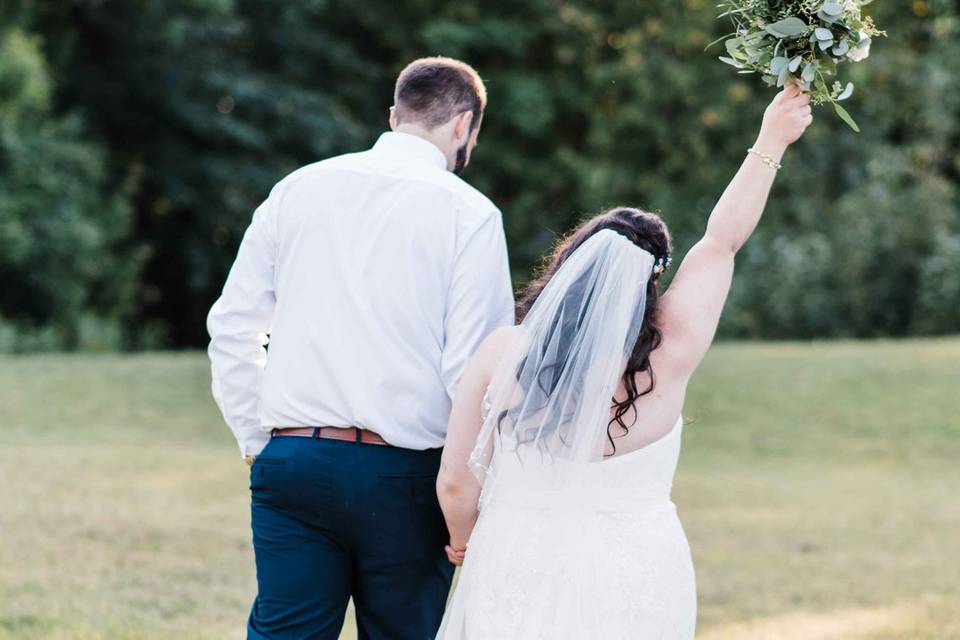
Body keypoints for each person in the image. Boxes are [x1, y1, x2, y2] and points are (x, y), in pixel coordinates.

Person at [435, 83, 813, 639]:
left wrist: (465, 544)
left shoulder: (502, 353)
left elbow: (454, 484)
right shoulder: (673, 350)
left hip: (518, 558)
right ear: (650, 283)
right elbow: (721, 241)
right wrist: (771, 140)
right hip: (638, 566)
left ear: (570, 266)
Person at [207, 56, 514, 640]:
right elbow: (472, 373)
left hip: (292, 464)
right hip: (405, 475)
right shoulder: (470, 215)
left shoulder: (296, 189)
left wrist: (259, 442)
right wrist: (469, 487)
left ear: (394, 116)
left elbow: (232, 325)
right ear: (463, 127)